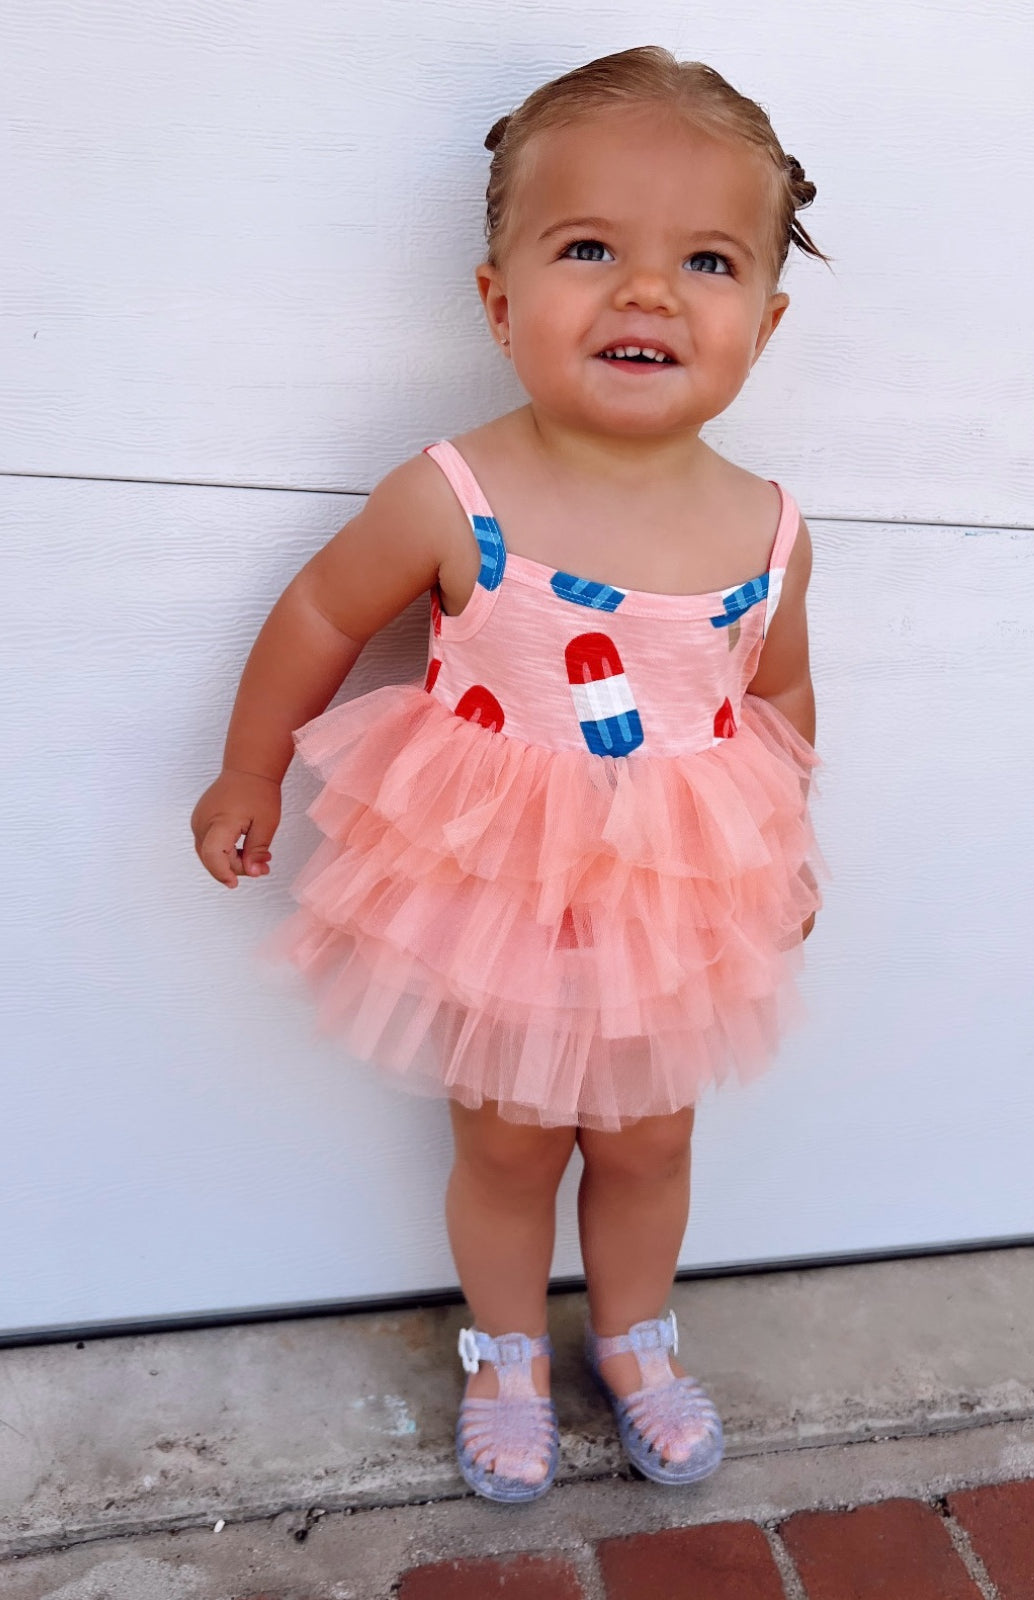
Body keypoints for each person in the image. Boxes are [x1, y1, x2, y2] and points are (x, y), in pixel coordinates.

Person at [191, 45, 826, 1503]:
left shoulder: (771, 528)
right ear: (498, 298)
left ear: (766, 324)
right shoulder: (454, 493)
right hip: (496, 886)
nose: (647, 291)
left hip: (676, 899)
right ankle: (505, 1351)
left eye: (706, 260)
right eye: (589, 248)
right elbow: (318, 615)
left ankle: (638, 1338)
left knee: (654, 1137)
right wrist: (249, 770)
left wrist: (788, 844)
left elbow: (776, 697)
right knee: (510, 1140)